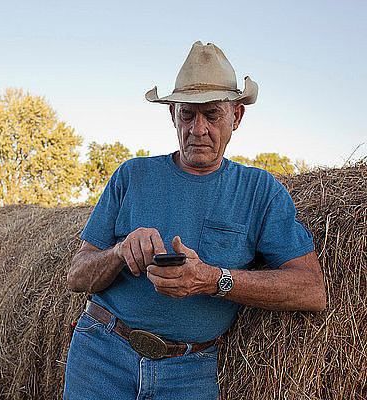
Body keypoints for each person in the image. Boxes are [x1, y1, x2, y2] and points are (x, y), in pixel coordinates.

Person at [63, 41, 326, 400]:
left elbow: (311, 290)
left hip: (190, 372)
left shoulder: (260, 191)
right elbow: (77, 276)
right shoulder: (131, 176)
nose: (198, 128)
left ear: (237, 116)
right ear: (172, 114)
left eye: (212, 115)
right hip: (101, 355)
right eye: (187, 114)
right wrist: (120, 252)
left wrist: (212, 280)